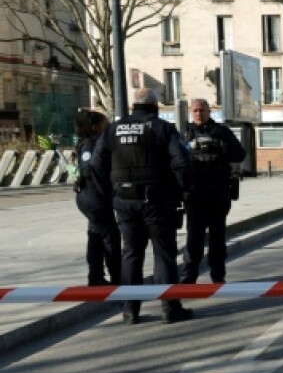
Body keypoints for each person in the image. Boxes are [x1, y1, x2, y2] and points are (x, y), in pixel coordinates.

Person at [91, 87, 193, 325]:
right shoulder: (162, 128)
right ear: (155, 105)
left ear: (133, 106)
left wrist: (108, 193)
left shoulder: (113, 129)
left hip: (124, 201)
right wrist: (181, 191)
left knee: (131, 254)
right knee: (164, 254)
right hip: (156, 200)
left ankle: (130, 310)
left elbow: (96, 164)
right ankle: (170, 307)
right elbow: (181, 161)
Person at [181, 98, 246, 285]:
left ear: (209, 111)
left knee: (217, 238)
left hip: (218, 193)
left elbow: (240, 154)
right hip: (195, 195)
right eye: (195, 111)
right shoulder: (185, 133)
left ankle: (218, 276)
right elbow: (176, 160)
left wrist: (221, 148)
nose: (199, 114)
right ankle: (189, 277)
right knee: (194, 238)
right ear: (191, 113)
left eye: (202, 110)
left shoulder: (221, 132)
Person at [72, 109, 120, 286]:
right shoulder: (92, 144)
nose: (108, 128)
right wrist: (105, 189)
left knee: (96, 235)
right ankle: (116, 277)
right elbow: (89, 168)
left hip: (90, 196)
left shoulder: (92, 142)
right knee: (110, 236)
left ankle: (96, 276)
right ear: (95, 127)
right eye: (105, 125)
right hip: (93, 196)